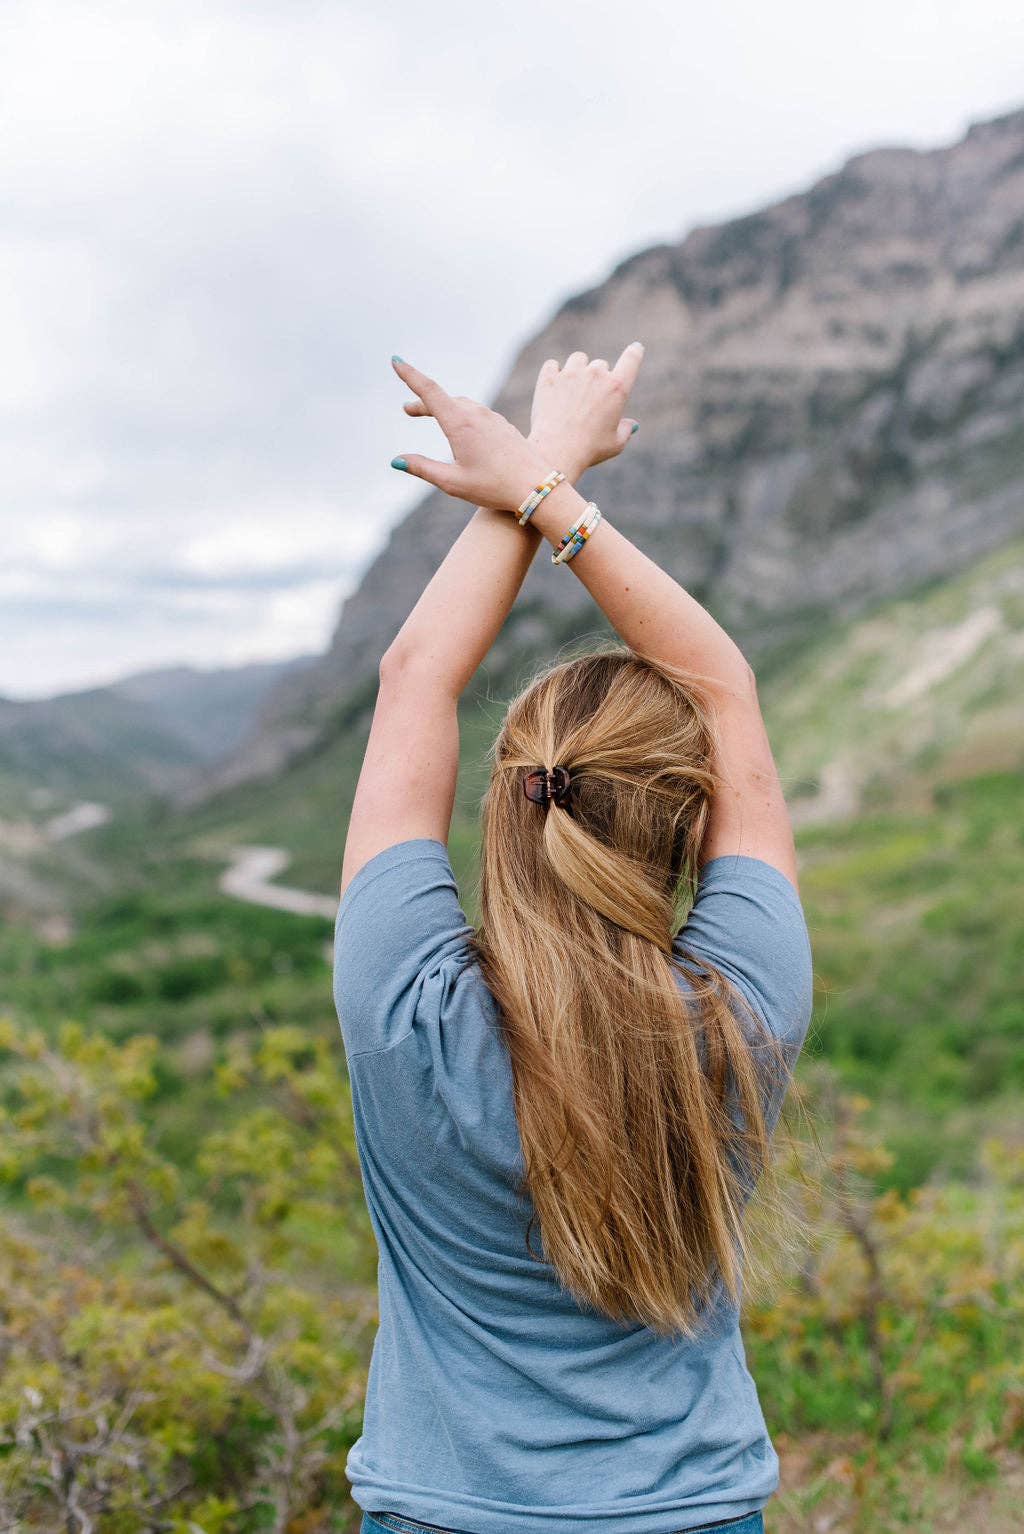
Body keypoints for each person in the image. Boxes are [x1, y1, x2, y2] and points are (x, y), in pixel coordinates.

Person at [332, 343, 815, 1534]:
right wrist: (546, 489)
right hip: (694, 1511)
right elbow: (723, 687)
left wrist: (540, 466)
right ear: (691, 823)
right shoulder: (741, 1008)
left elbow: (414, 677)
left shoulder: (407, 1010)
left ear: (507, 801)